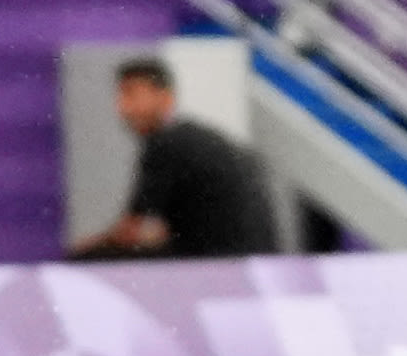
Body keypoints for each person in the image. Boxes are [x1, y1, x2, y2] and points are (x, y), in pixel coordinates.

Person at [76, 57, 276, 259]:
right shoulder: (195, 139)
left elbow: (130, 230)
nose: (123, 107)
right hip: (252, 257)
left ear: (165, 97)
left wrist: (82, 251)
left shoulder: (165, 144)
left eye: (131, 94)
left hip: (218, 262)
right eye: (120, 96)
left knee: (89, 259)